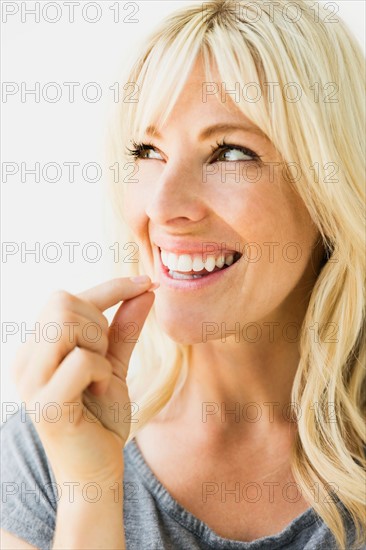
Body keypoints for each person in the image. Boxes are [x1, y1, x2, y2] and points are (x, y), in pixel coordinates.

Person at [1, 0, 365, 548]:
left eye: (231, 153)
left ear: (328, 193)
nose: (163, 206)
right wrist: (91, 490)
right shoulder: (51, 445)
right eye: (148, 150)